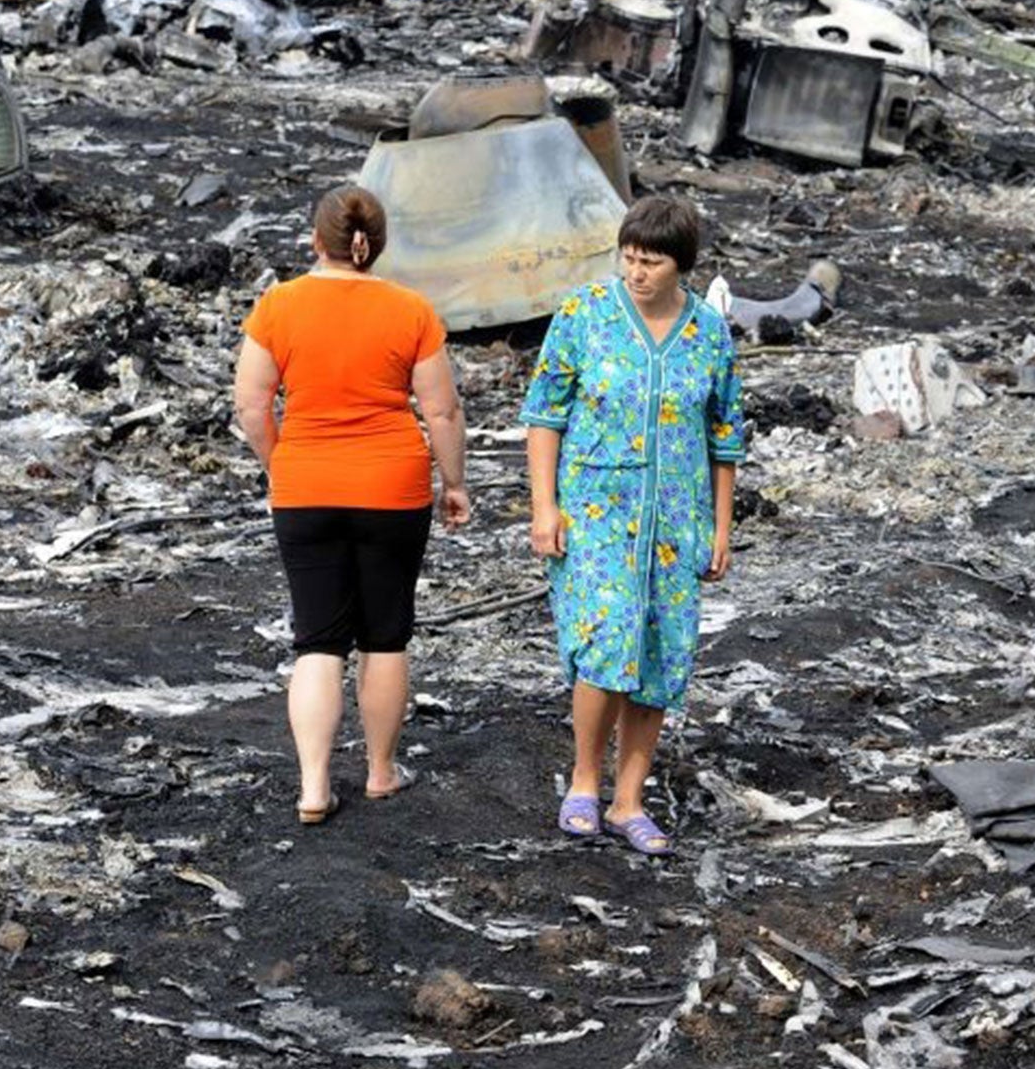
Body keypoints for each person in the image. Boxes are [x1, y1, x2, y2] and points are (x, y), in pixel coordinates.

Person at [233, 185, 470, 825]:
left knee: (318, 640)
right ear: (378, 245)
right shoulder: (410, 310)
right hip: (392, 485)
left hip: (306, 482)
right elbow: (442, 410)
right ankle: (380, 771)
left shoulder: (278, 305)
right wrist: (454, 483)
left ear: (317, 241)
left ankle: (313, 787)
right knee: (386, 635)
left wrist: (281, 462)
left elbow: (252, 406)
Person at [521, 196, 746, 855]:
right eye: (629, 258)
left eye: (651, 262)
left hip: (677, 520)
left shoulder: (707, 332)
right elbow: (545, 413)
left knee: (659, 655)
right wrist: (543, 506)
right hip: (596, 512)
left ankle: (630, 798)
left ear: (682, 266)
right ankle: (584, 782)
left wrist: (721, 527)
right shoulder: (585, 315)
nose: (636, 272)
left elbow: (724, 436)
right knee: (605, 644)